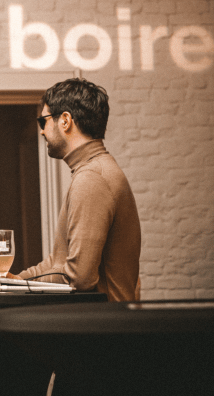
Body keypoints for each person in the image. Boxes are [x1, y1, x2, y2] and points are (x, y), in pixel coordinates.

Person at [13, 78, 141, 301]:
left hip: (104, 328)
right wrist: (14, 280)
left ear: (65, 121)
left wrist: (16, 284)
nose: (42, 131)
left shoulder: (92, 178)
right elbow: (58, 262)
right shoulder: (91, 171)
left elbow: (79, 277)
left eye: (43, 121)